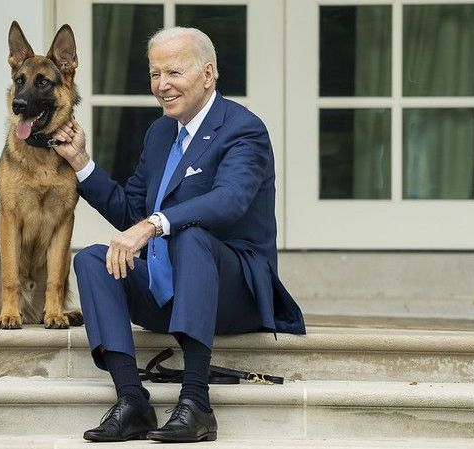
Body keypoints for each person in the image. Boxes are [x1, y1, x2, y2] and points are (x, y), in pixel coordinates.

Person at [51, 27, 305, 443]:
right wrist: (82, 165)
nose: (162, 85)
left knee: (190, 236)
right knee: (92, 259)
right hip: (168, 288)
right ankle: (132, 401)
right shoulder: (159, 133)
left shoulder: (244, 130)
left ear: (208, 75)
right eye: (154, 74)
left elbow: (229, 202)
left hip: (232, 291)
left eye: (174, 72)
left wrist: (153, 225)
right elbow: (132, 211)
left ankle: (196, 403)